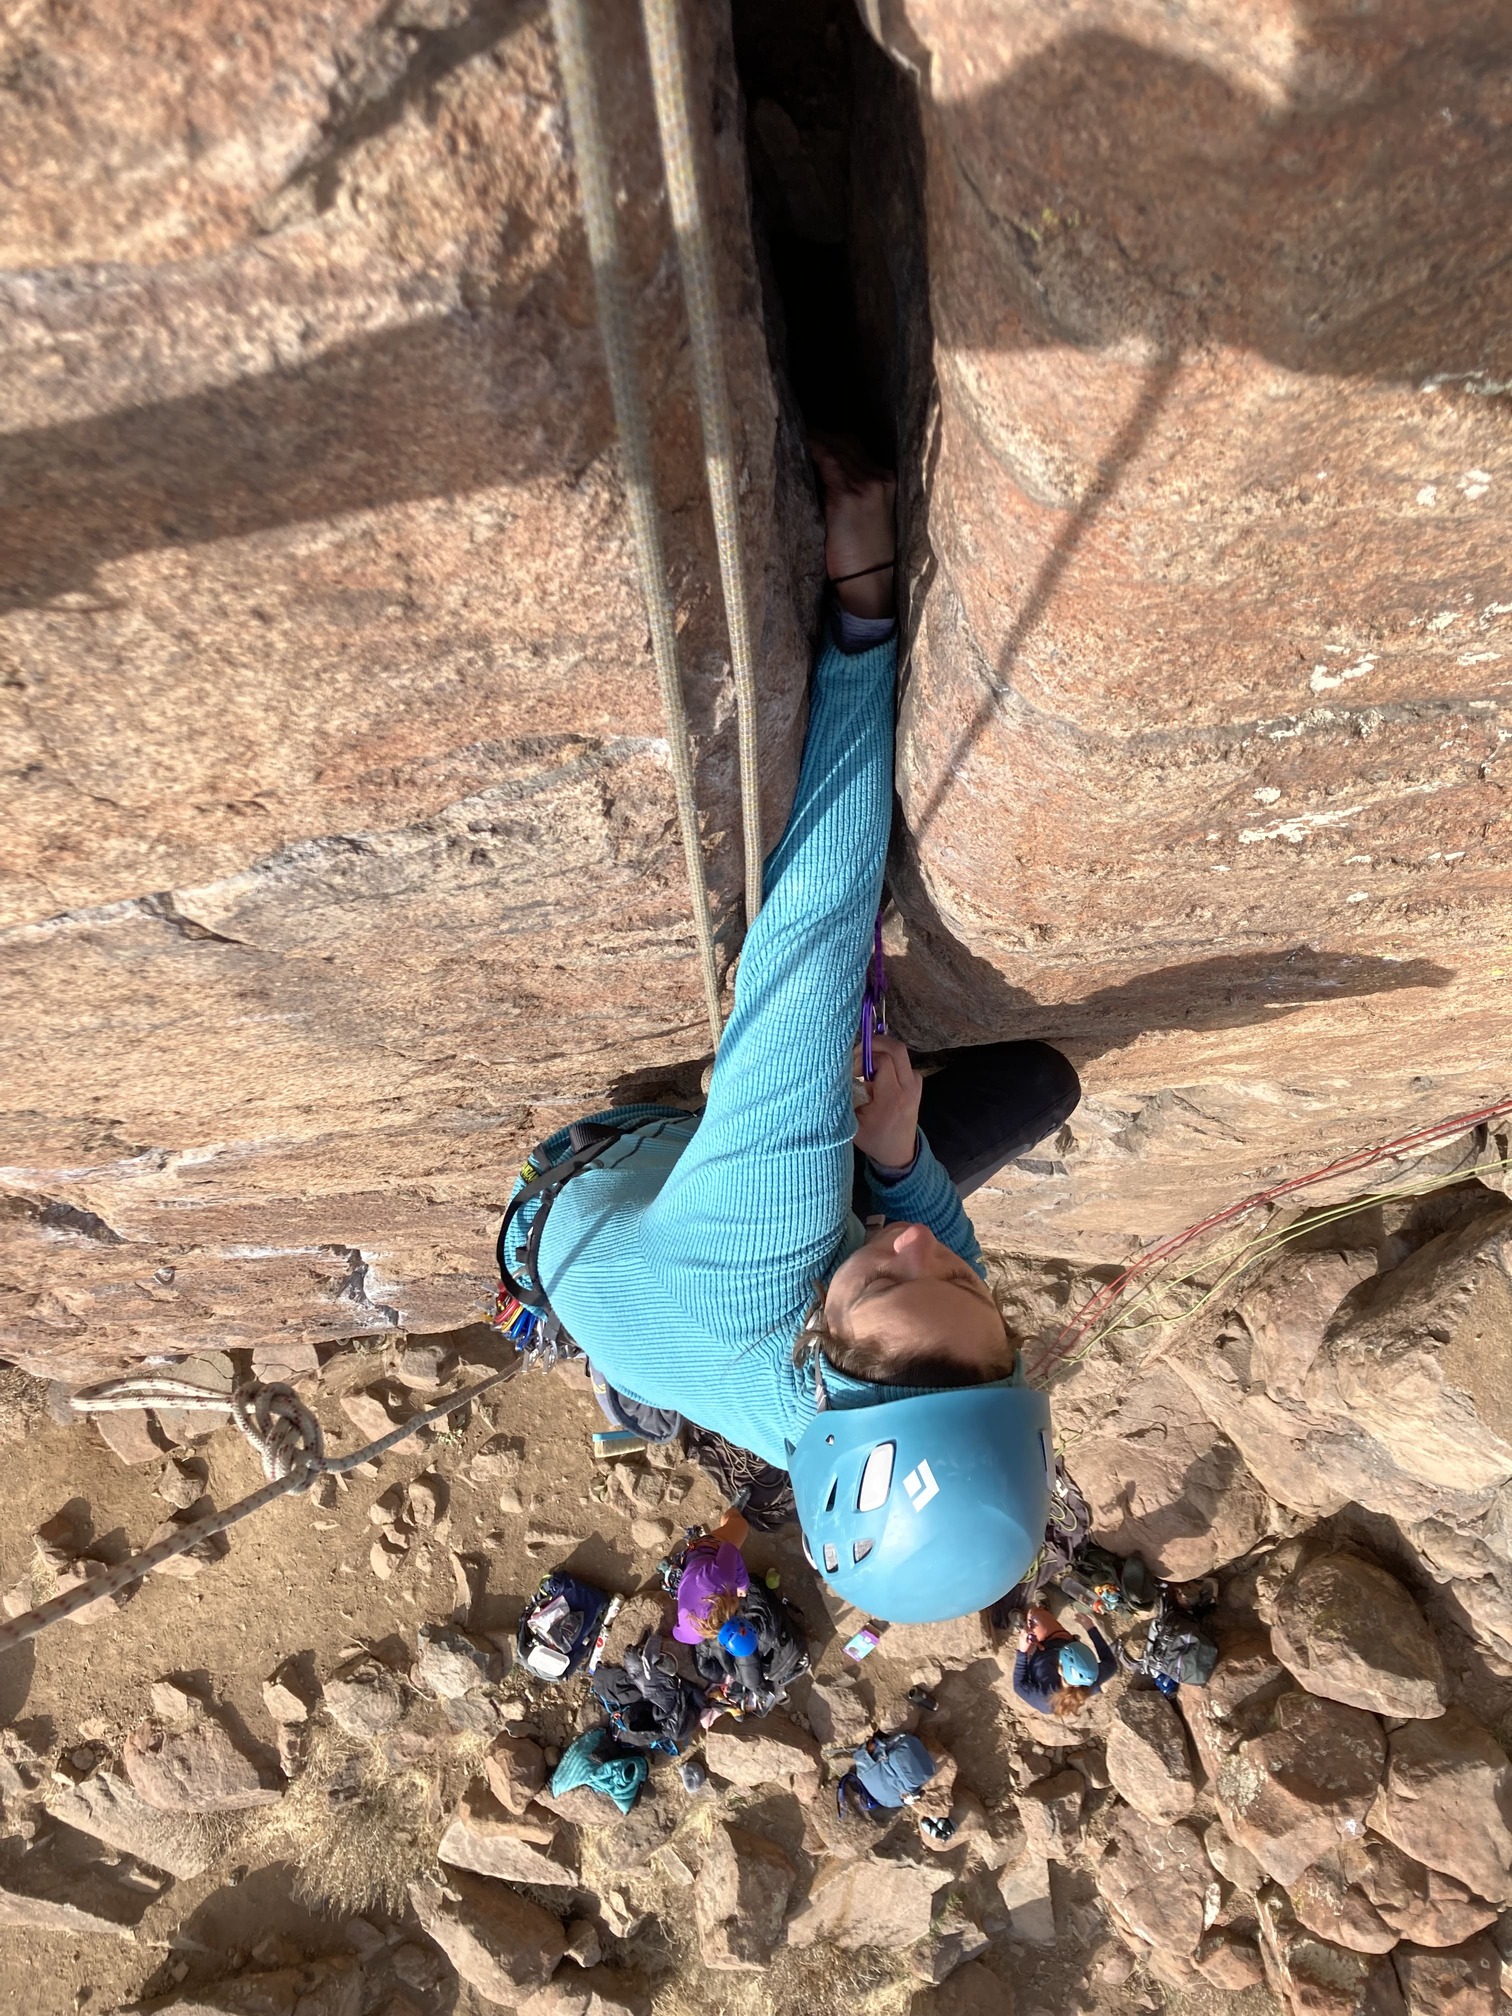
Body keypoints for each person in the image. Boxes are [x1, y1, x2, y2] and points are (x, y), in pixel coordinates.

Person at [497, 442, 1080, 1624]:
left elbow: (813, 926)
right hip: (662, 1294)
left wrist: (864, 623)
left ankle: (743, 1134)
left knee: (868, 1058)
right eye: (969, 1286)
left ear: (821, 1362)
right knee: (1039, 1089)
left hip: (601, 1183)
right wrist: (902, 1167)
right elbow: (920, 1247)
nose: (926, 1252)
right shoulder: (851, 1409)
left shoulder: (759, 1252)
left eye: (887, 1275)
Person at [1012, 1604, 1117, 1718]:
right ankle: (1043, 1612)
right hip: (1058, 1640)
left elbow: (1019, 1685)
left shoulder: (1045, 1701)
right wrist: (1091, 1629)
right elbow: (1111, 1664)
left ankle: (1023, 1627)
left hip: (1036, 1655)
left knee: (1033, 1615)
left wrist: (1022, 1652)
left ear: (1061, 1670)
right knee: (1037, 1616)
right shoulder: (1090, 1680)